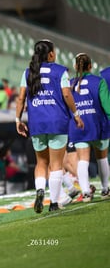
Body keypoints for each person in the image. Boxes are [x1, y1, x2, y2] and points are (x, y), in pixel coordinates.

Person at [15, 39, 84, 213]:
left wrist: (18, 120)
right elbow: (67, 95)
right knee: (56, 164)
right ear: (51, 54)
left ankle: (39, 190)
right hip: (57, 122)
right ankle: (53, 203)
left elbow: (20, 98)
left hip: (37, 123)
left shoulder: (27, 72)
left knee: (41, 163)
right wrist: (76, 115)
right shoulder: (60, 71)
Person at [69, 53, 110, 201]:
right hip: (98, 125)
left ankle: (86, 192)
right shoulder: (99, 81)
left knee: (82, 160)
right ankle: (105, 190)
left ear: (75, 66)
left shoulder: (69, 84)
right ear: (90, 66)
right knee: (102, 158)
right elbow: (108, 107)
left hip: (79, 126)